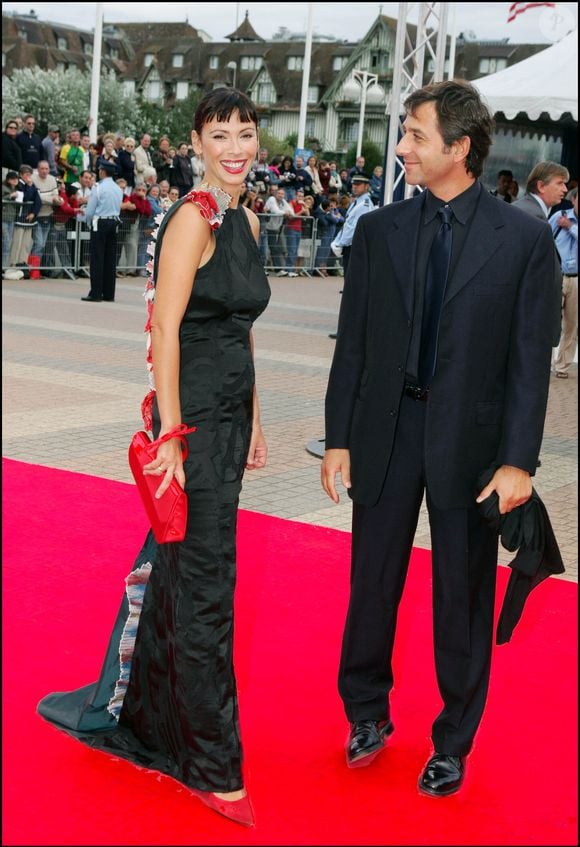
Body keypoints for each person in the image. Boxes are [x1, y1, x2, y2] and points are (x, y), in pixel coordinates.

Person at [37, 87, 270, 828]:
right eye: (220, 133)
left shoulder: (251, 220)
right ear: (198, 142)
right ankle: (210, 761)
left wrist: (258, 420)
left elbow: (243, 330)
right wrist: (171, 435)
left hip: (230, 421)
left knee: (185, 569)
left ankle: (149, 716)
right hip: (193, 424)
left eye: (246, 131)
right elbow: (165, 329)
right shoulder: (192, 220)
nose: (236, 145)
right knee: (204, 587)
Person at [321, 80, 560, 797]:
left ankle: (454, 737)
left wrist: (519, 460)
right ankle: (365, 711)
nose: (402, 147)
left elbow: (529, 361)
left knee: (461, 595)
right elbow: (353, 347)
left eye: (416, 135)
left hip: (473, 447)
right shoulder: (378, 231)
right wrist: (339, 438)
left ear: (460, 149)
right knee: (372, 585)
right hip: (385, 434)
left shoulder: (521, 240)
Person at [80, 159, 123, 301]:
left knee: (97, 258)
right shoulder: (118, 188)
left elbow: (91, 210)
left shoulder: (98, 187)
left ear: (103, 171)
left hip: (100, 223)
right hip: (114, 222)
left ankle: (96, 293)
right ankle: (109, 293)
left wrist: (87, 221)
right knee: (110, 259)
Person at [550, 187, 578, 379]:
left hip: (577, 279)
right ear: (574, 199)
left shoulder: (567, 222)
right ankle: (543, 363)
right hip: (556, 276)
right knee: (548, 320)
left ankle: (562, 367)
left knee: (571, 324)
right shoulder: (558, 216)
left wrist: (571, 227)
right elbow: (543, 238)